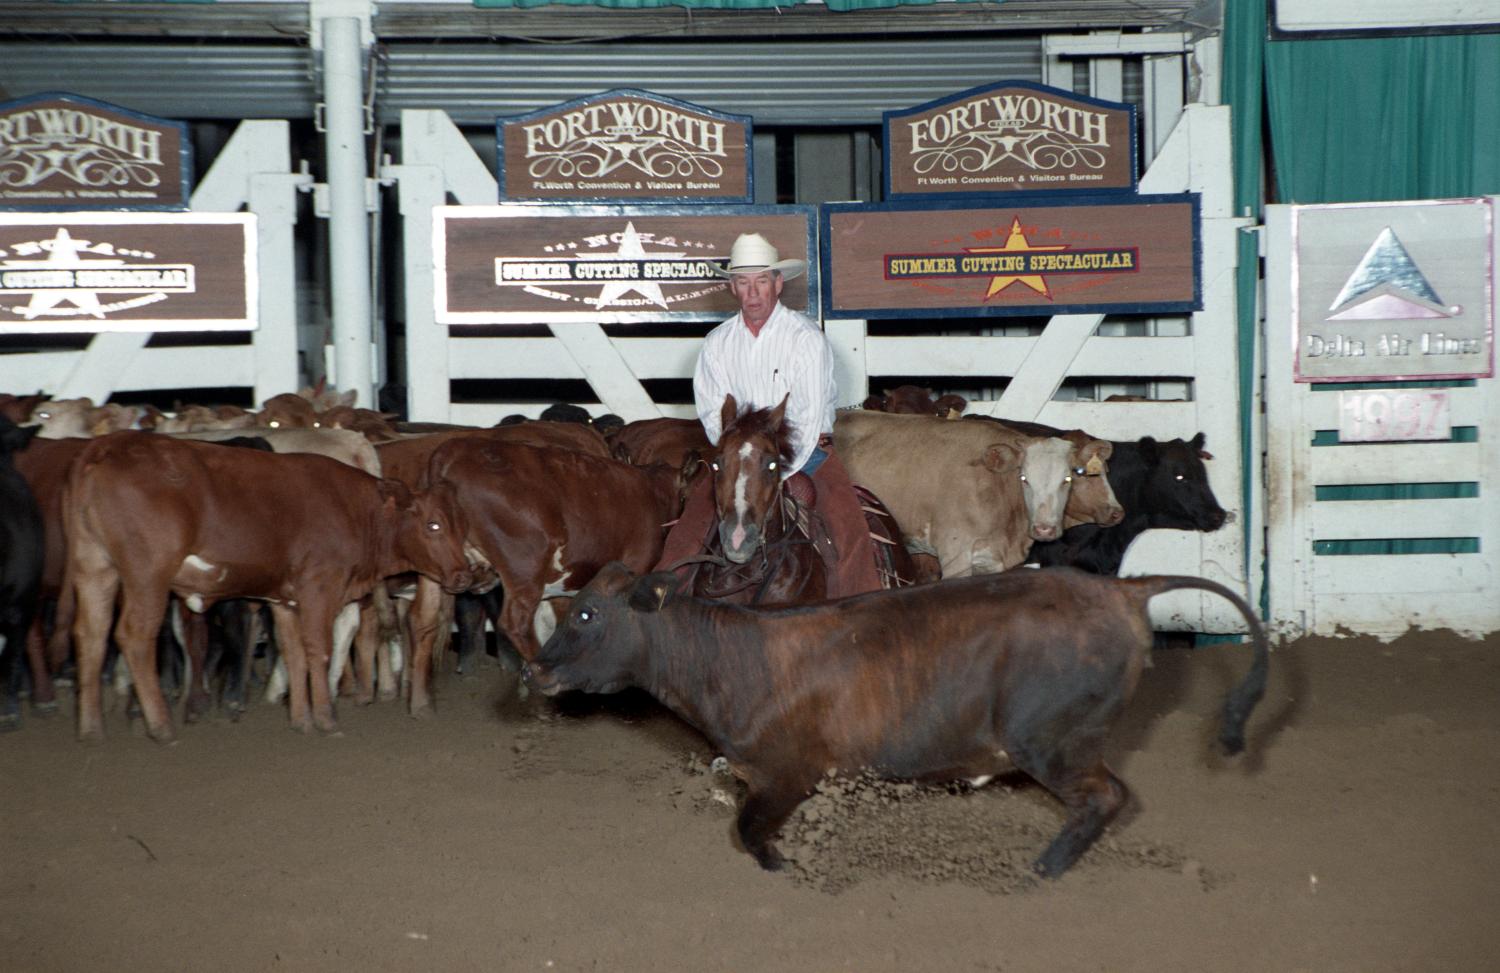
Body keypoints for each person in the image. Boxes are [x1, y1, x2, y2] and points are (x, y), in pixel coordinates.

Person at [655, 232, 882, 598]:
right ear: (733, 288)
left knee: (847, 527)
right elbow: (712, 410)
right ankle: (663, 601)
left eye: (761, 281)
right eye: (743, 282)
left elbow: (808, 416)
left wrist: (776, 469)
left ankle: (862, 609)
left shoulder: (805, 338)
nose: (753, 292)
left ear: (778, 284)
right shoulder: (717, 343)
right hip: (738, 457)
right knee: (690, 527)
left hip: (808, 454)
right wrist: (738, 458)